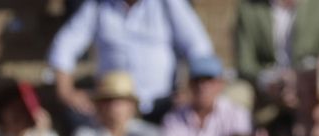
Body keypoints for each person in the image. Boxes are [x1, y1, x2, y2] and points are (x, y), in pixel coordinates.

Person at [48, 0, 217, 118]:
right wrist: (66, 91)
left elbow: (199, 47)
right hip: (113, 106)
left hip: (162, 106)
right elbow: (64, 46)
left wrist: (190, 90)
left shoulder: (167, 3)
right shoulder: (98, 5)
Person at [161, 55, 253, 136]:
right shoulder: (173, 119)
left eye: (208, 80)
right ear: (189, 84)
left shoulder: (237, 115)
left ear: (220, 84)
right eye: (197, 81)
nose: (202, 86)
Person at [232, 0, 319, 109]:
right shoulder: (249, 7)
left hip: (308, 86)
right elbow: (245, 64)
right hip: (263, 89)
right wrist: (268, 81)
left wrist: (301, 78)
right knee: (235, 97)